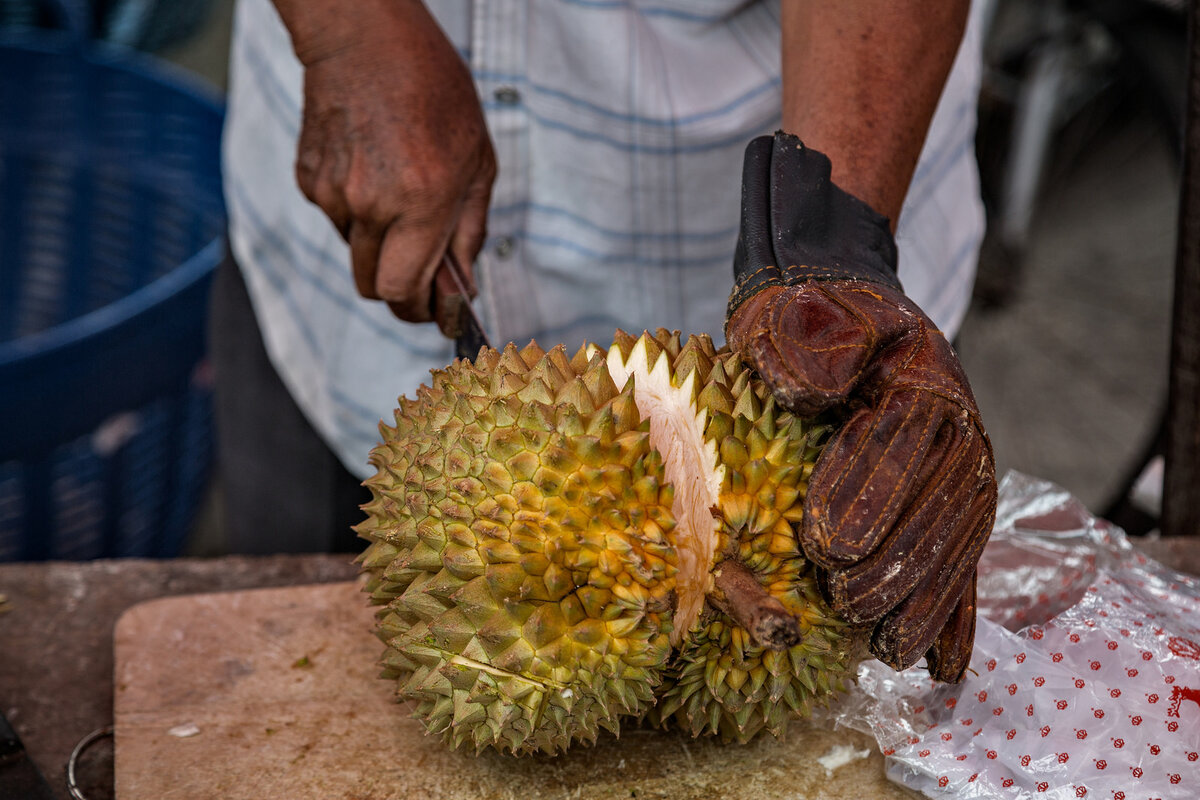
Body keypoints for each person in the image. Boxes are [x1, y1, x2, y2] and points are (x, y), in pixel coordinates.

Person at [213, 0, 996, 681]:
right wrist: (346, 30)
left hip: (776, 251)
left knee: (847, 567)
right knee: (285, 653)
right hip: (340, 283)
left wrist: (834, 248)